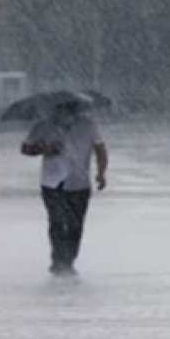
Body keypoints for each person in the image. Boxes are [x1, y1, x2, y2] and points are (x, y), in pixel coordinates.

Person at [21, 99, 108, 276]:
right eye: (60, 109)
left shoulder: (88, 126)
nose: (65, 113)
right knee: (57, 221)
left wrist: (101, 173)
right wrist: (44, 149)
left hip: (79, 182)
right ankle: (58, 260)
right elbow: (25, 148)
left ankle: (69, 259)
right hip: (52, 182)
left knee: (76, 224)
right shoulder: (42, 127)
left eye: (69, 109)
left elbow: (100, 149)